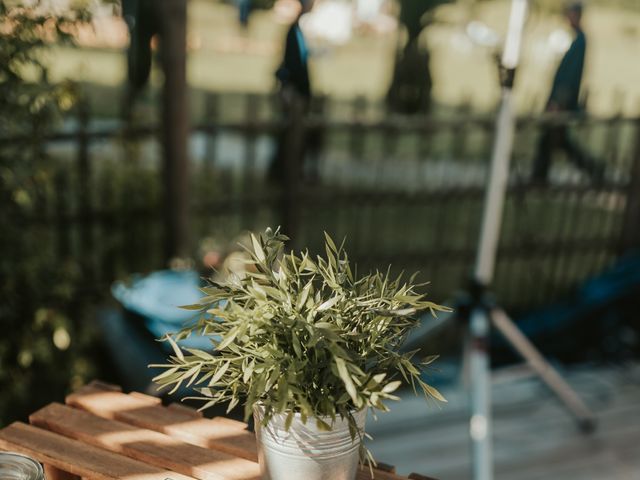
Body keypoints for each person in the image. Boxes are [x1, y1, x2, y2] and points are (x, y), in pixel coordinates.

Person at [531, 2, 603, 185]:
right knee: (558, 141)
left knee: (552, 140)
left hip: (561, 103)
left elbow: (570, 75)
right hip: (561, 101)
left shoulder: (580, 42)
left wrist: (558, 101)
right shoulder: (576, 40)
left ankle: (540, 177)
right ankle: (593, 170)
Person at [268, 0, 316, 185]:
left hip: (301, 93)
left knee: (294, 134)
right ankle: (281, 173)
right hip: (295, 94)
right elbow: (291, 64)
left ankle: (288, 172)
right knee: (288, 135)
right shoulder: (293, 31)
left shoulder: (299, 30)